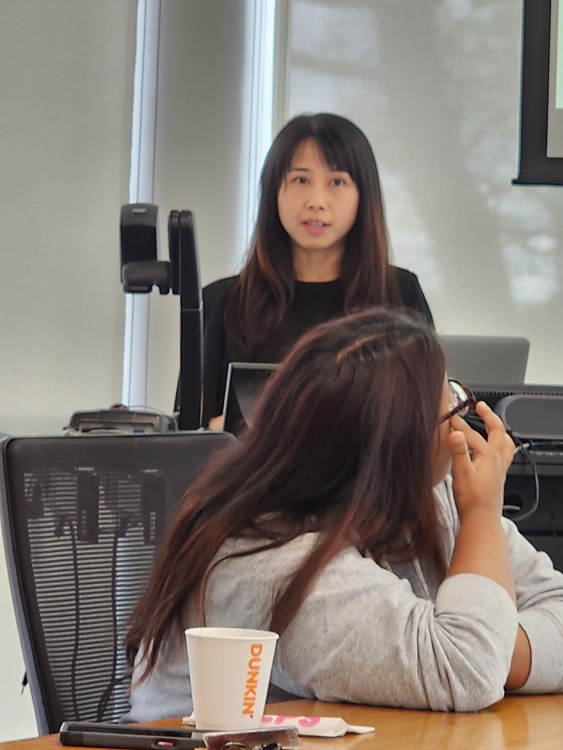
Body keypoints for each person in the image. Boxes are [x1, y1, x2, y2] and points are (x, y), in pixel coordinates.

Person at [125, 308, 563, 719]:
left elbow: (531, 621)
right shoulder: (272, 566)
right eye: (449, 403)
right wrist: (484, 515)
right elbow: (468, 670)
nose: (460, 422)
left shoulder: (438, 494)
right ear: (393, 447)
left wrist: (491, 641)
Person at [201, 112, 433, 428]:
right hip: (253, 478)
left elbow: (425, 420)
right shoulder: (222, 301)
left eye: (336, 182)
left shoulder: (398, 293)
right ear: (274, 192)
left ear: (362, 196)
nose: (316, 201)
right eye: (301, 180)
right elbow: (191, 434)